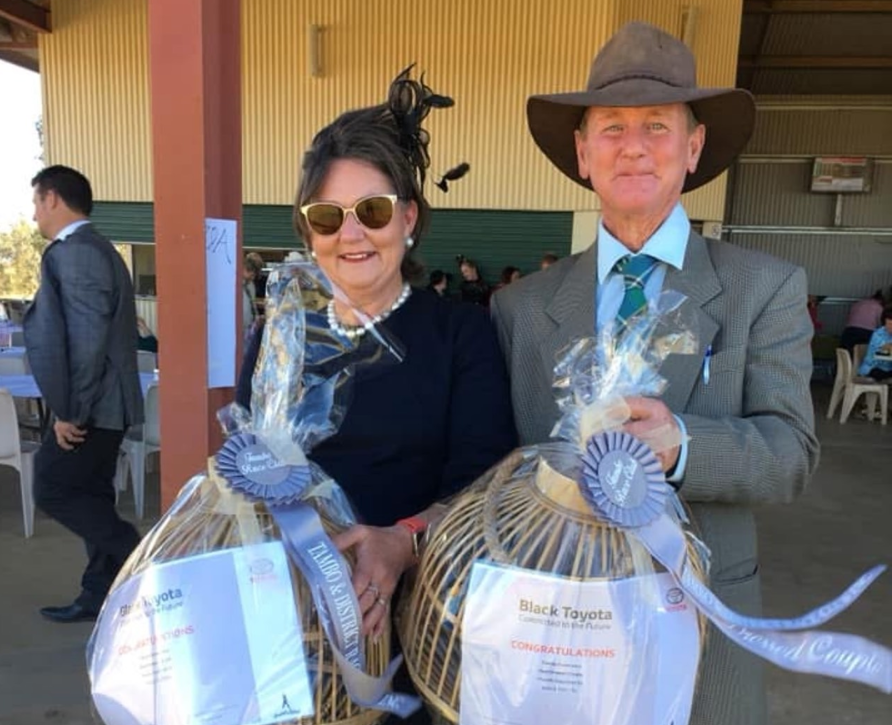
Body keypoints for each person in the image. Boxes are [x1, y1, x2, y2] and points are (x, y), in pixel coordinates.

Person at [491, 23, 818, 725]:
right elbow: (498, 466)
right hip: (558, 626)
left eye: (657, 126)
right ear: (583, 153)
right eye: (611, 127)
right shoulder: (519, 308)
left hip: (706, 626)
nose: (634, 145)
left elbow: (791, 453)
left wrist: (683, 446)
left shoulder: (764, 288)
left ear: (693, 148)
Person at [236, 68, 516, 722]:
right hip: (291, 633)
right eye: (328, 215)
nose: (352, 232)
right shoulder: (279, 337)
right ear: (308, 231)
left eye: (374, 210)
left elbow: (485, 483)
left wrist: (405, 540)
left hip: (418, 629)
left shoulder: (459, 334)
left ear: (409, 218)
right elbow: (246, 471)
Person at [23, 165, 143, 623]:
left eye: (36, 203)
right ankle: (99, 592)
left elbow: (87, 340)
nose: (35, 214)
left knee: (51, 486)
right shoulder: (94, 249)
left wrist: (70, 411)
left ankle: (141, 557)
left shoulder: (78, 253)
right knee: (92, 497)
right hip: (103, 405)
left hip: (93, 408)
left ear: (53, 198)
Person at [857, 307, 892, 381]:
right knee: (878, 372)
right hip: (873, 368)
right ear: (884, 323)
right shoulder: (878, 334)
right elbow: (887, 347)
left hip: (889, 369)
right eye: (889, 324)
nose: (891, 327)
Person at [241, 251, 264, 330]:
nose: (253, 278)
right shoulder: (233, 286)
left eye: (254, 275)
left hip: (250, 330)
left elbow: (252, 305)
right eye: (251, 274)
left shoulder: (251, 286)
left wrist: (257, 318)